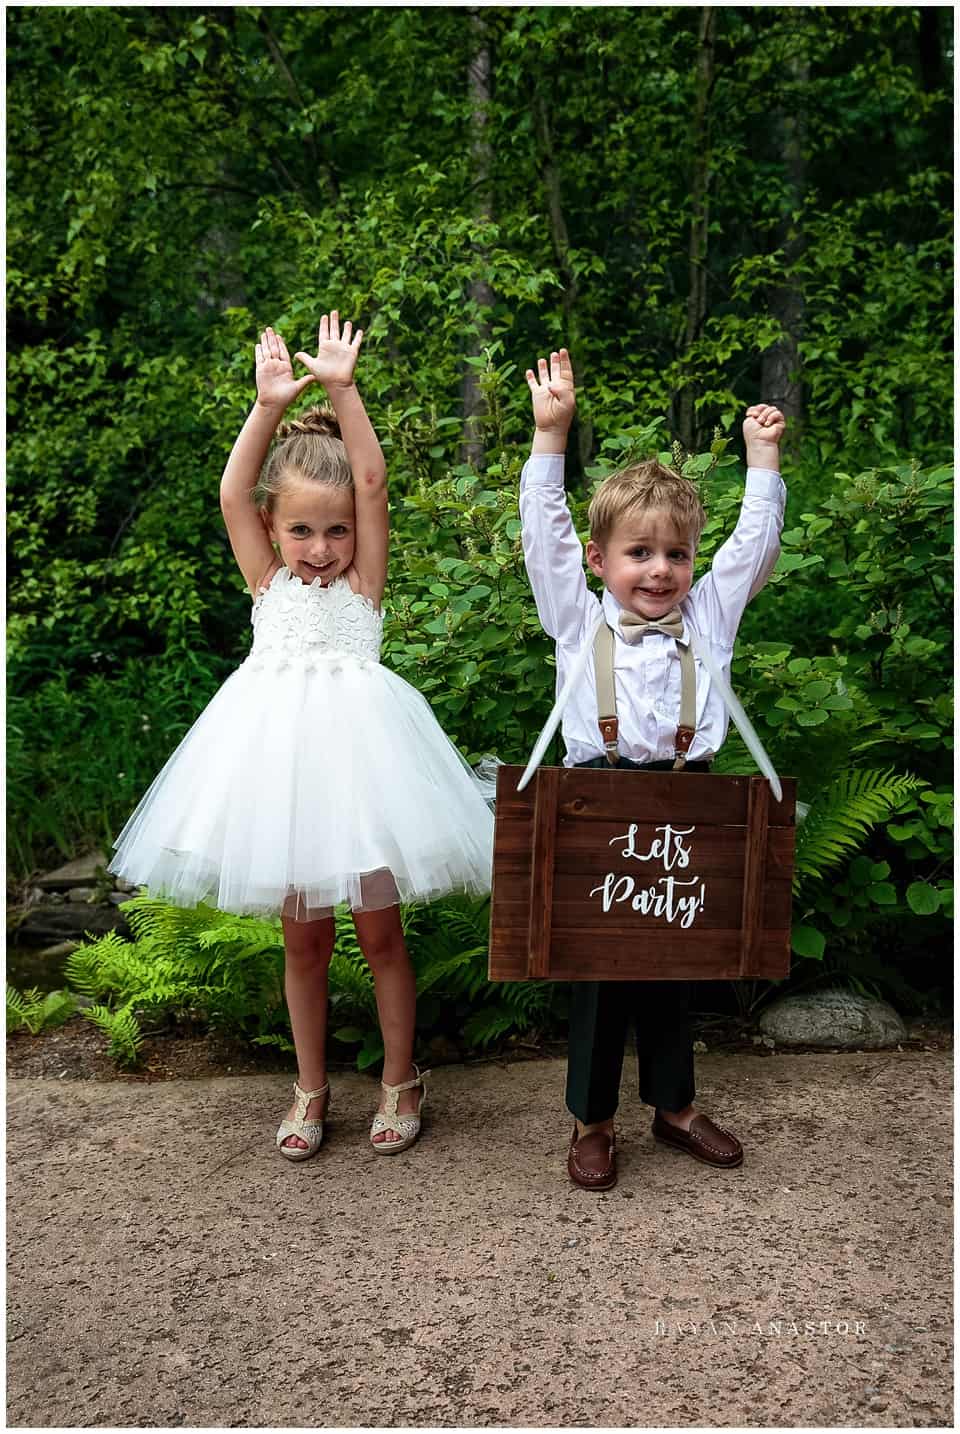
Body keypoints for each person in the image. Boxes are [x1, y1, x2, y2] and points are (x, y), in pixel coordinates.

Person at [110, 313, 494, 1161]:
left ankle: (401, 1079)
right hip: (281, 782)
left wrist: (343, 389)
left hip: (369, 777)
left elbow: (371, 478)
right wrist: (267, 405)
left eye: (335, 530)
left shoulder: (363, 586)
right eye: (301, 531)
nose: (320, 549)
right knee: (304, 940)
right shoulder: (266, 581)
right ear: (275, 530)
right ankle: (310, 1088)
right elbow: (229, 492)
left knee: (383, 935)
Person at [519, 347, 786, 1190]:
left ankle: (674, 1108)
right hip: (595, 802)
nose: (658, 570)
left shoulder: (707, 617)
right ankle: (591, 1121)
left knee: (679, 960)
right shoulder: (575, 618)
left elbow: (751, 548)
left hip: (688, 799)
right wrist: (550, 435)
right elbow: (545, 533)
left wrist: (764, 463)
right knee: (599, 974)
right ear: (601, 562)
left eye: (674, 554)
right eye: (638, 553)